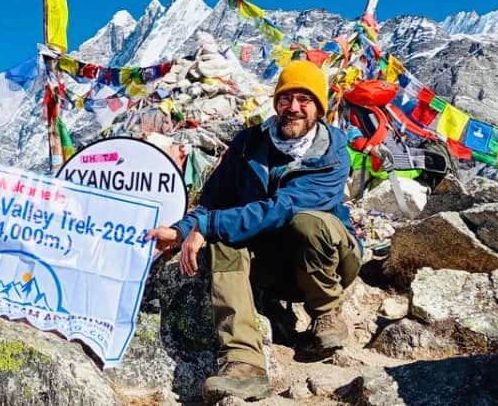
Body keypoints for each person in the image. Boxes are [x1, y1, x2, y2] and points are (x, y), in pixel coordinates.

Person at [145, 60, 361, 402]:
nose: (293, 108)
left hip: (328, 261)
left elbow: (280, 209)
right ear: (276, 103)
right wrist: (182, 229)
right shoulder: (249, 145)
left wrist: (207, 225)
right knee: (222, 243)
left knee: (307, 222)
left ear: (319, 107)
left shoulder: (332, 156)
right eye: (286, 98)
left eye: (304, 100)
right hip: (270, 270)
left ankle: (326, 312)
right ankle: (244, 362)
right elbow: (213, 200)